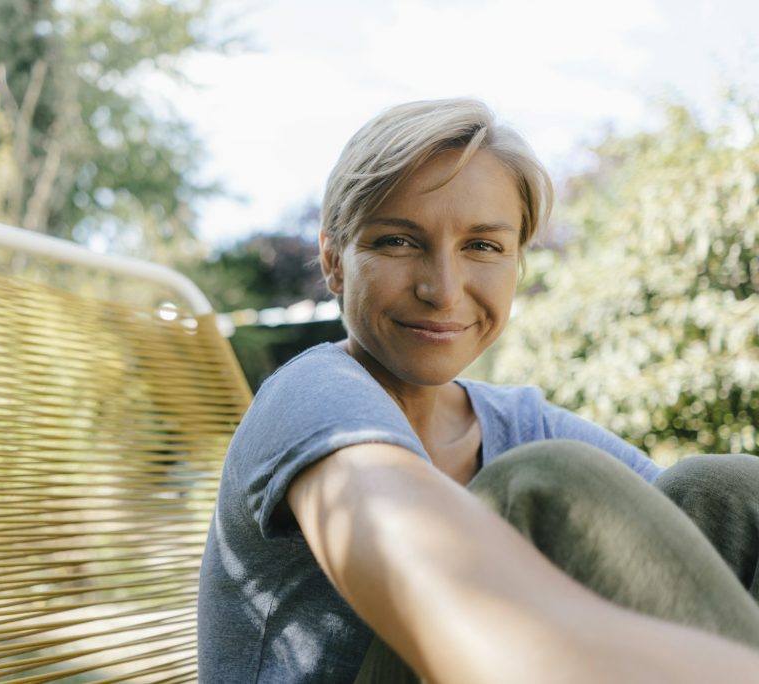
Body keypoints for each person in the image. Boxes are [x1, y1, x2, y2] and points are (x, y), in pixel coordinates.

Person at [196, 98, 759, 683]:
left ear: (517, 264)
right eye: (397, 241)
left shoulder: (517, 422)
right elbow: (426, 579)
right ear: (334, 260)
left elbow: (698, 539)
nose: (443, 289)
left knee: (728, 489)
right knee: (546, 482)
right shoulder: (311, 396)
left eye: (483, 246)